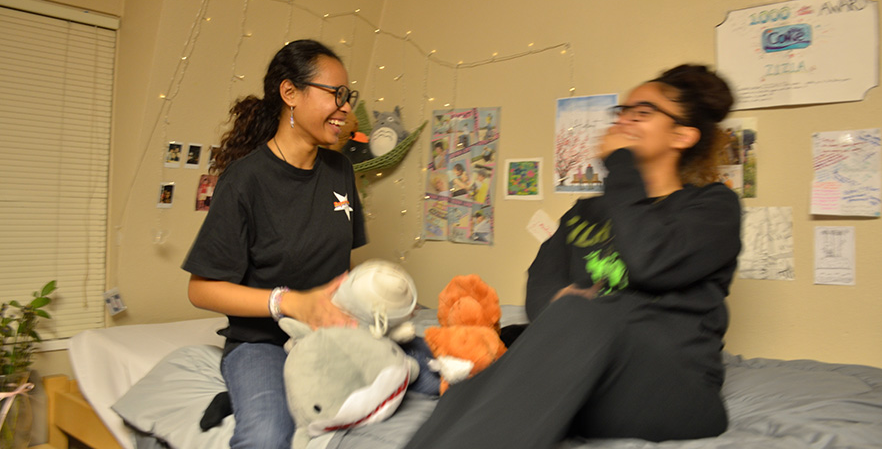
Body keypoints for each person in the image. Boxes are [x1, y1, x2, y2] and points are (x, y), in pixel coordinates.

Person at [404, 64, 742, 449]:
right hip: (591, 376)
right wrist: (560, 310)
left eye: (642, 112)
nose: (624, 120)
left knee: (576, 316)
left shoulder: (713, 207)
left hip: (677, 391)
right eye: (622, 111)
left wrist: (620, 165)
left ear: (682, 134)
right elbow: (542, 287)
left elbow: (649, 260)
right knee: (487, 372)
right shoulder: (584, 213)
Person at [182, 39, 366, 449]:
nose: (345, 108)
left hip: (327, 335)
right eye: (335, 94)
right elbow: (201, 289)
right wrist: (289, 302)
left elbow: (341, 270)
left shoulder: (340, 172)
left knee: (427, 374)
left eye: (347, 96)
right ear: (290, 94)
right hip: (261, 342)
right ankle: (245, 394)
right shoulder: (245, 181)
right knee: (267, 436)